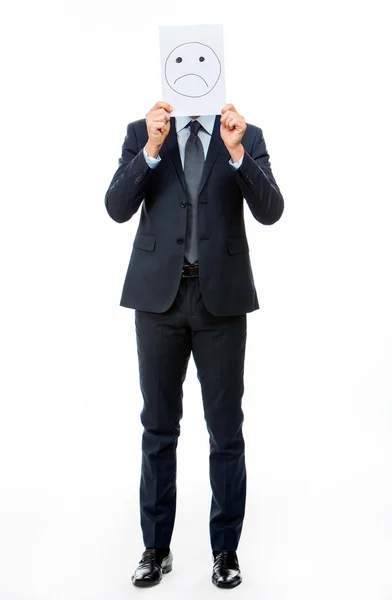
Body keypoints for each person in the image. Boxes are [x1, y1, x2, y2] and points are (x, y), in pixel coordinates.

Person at [104, 101, 284, 588]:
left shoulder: (245, 134)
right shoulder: (142, 132)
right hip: (157, 300)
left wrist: (238, 153)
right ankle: (155, 548)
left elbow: (271, 211)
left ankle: (226, 551)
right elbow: (116, 207)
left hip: (220, 301)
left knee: (226, 431)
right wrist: (152, 148)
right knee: (158, 427)